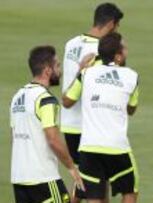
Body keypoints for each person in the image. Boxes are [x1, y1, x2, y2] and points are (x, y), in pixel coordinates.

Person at [62, 32, 139, 203]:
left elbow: (67, 101)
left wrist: (80, 70)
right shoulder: (131, 77)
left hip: (89, 148)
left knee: (94, 196)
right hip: (117, 148)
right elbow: (131, 109)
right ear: (118, 56)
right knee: (130, 189)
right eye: (124, 48)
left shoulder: (86, 74)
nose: (127, 51)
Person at [61, 3, 123, 202]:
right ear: (112, 24)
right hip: (89, 125)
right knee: (97, 180)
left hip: (69, 122)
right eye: (118, 26)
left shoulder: (71, 43)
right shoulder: (100, 50)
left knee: (86, 178)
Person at [10, 45, 84, 203]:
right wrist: (72, 167)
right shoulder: (46, 100)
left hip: (19, 179)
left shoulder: (17, 97)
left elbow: (14, 137)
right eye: (57, 65)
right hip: (43, 178)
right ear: (47, 70)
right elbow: (53, 139)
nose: (60, 71)